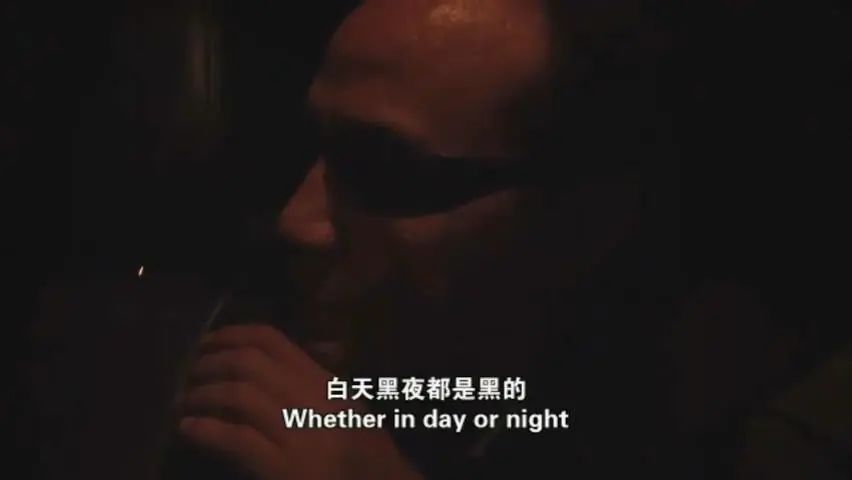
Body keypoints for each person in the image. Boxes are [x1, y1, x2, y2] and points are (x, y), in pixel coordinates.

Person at [165, 0, 842, 479]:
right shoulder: (424, 368)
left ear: (585, 218)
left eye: (381, 169)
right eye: (313, 146)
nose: (297, 221)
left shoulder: (752, 434)